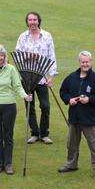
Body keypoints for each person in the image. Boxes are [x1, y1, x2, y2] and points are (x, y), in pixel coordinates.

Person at [0, 44, 32, 175]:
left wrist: (25, 96)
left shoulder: (11, 69)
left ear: (4, 57)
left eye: (2, 55)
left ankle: (8, 163)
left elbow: (17, 86)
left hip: (9, 106)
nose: (0, 57)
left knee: (8, 135)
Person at [58, 51, 95, 178]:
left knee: (94, 145)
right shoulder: (71, 78)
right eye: (83, 62)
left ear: (91, 62)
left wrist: (89, 100)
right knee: (72, 144)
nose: (85, 64)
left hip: (89, 119)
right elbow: (63, 91)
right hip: (74, 118)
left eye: (87, 61)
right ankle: (71, 164)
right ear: (79, 62)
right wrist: (69, 100)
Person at [15, 11, 57, 145]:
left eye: (34, 20)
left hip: (42, 78)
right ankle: (34, 132)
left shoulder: (47, 36)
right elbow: (18, 55)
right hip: (27, 77)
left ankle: (44, 133)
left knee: (45, 106)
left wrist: (51, 76)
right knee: (29, 106)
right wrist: (29, 56)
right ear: (27, 22)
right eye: (30, 20)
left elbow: (52, 56)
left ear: (38, 21)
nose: (32, 22)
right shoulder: (23, 37)